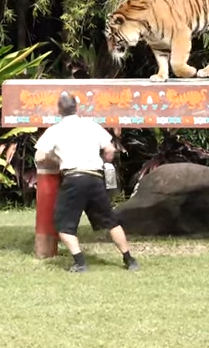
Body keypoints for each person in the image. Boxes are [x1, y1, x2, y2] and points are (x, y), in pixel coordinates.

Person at [34, 92, 139, 273]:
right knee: (111, 222)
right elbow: (109, 150)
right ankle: (129, 259)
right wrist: (105, 161)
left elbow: (39, 156)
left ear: (59, 110)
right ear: (77, 108)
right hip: (95, 178)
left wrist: (55, 158)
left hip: (74, 179)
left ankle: (80, 262)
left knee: (64, 225)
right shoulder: (91, 125)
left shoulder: (55, 130)